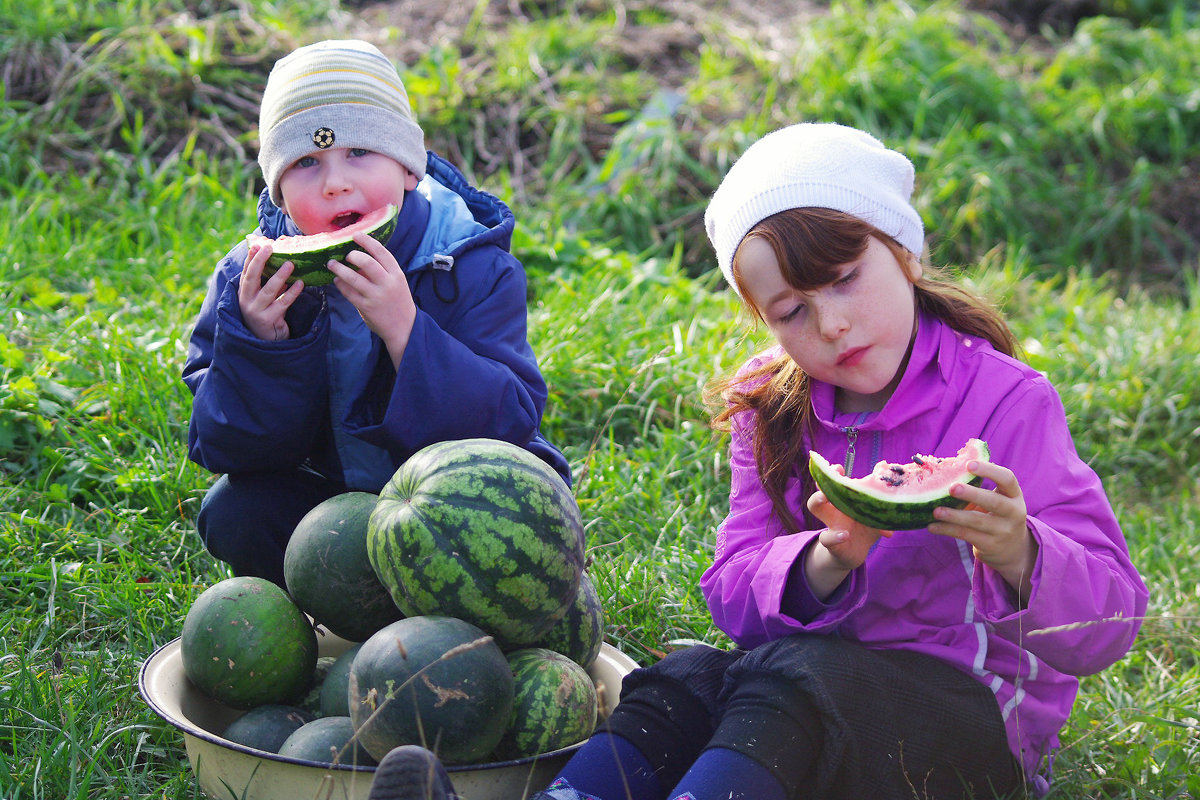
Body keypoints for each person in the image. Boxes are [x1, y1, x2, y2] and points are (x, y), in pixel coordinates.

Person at [363, 122, 1149, 800]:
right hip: (802, 693)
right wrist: (827, 559)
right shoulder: (773, 411)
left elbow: (1109, 624)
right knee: (685, 678)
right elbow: (733, 596)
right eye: (793, 311)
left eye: (845, 279)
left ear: (906, 253)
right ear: (762, 320)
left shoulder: (1009, 401)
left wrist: (1019, 550)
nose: (833, 325)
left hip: (975, 729)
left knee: (795, 679)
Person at [182, 40, 569, 587]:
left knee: (525, 520)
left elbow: (509, 421)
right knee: (236, 512)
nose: (336, 181)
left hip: (453, 513)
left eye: (359, 153)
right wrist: (264, 347)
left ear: (409, 170)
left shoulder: (472, 264)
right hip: (333, 507)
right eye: (307, 162)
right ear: (279, 193)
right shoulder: (248, 281)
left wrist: (407, 333)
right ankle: (331, 615)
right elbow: (225, 445)